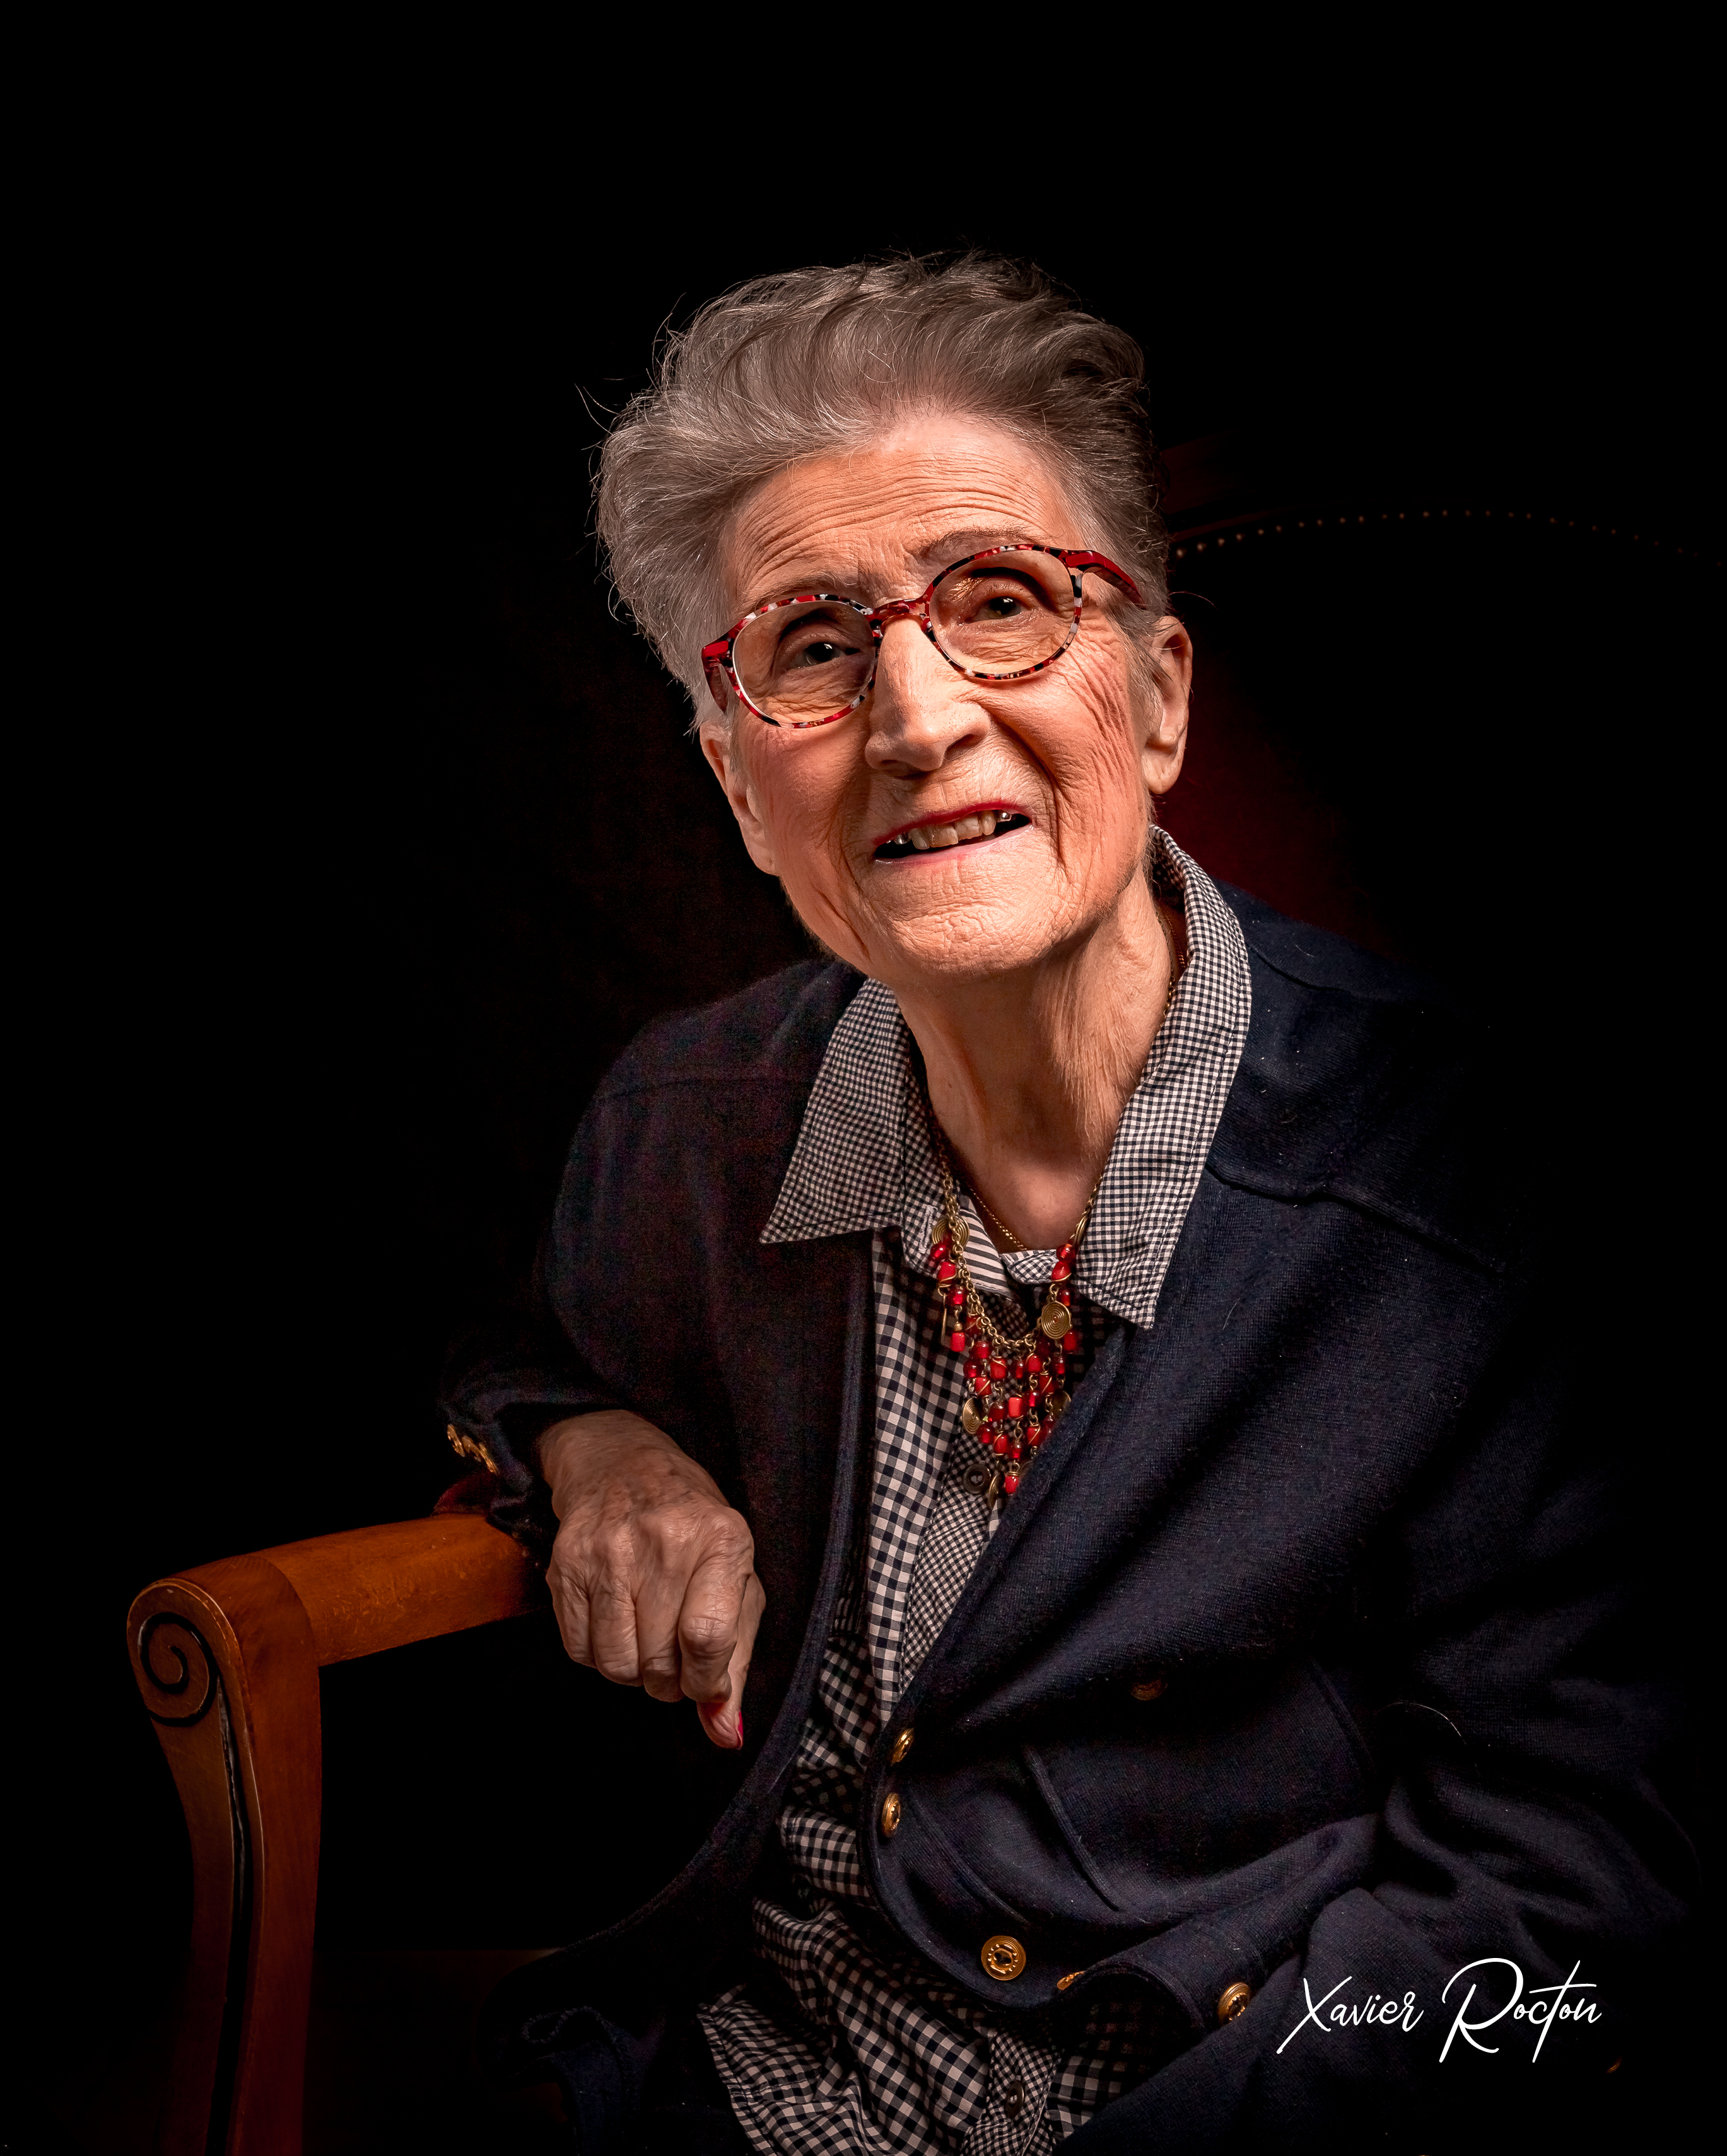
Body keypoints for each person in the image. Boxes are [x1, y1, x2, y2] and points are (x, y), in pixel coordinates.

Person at [442, 255, 1689, 2152]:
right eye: (812, 644)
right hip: (723, 2092)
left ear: (1160, 697)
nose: (917, 716)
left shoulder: (1488, 1194)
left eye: (1002, 602)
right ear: (738, 784)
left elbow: (1572, 1889)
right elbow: (525, 1356)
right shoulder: (686, 1123)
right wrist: (598, 1449)